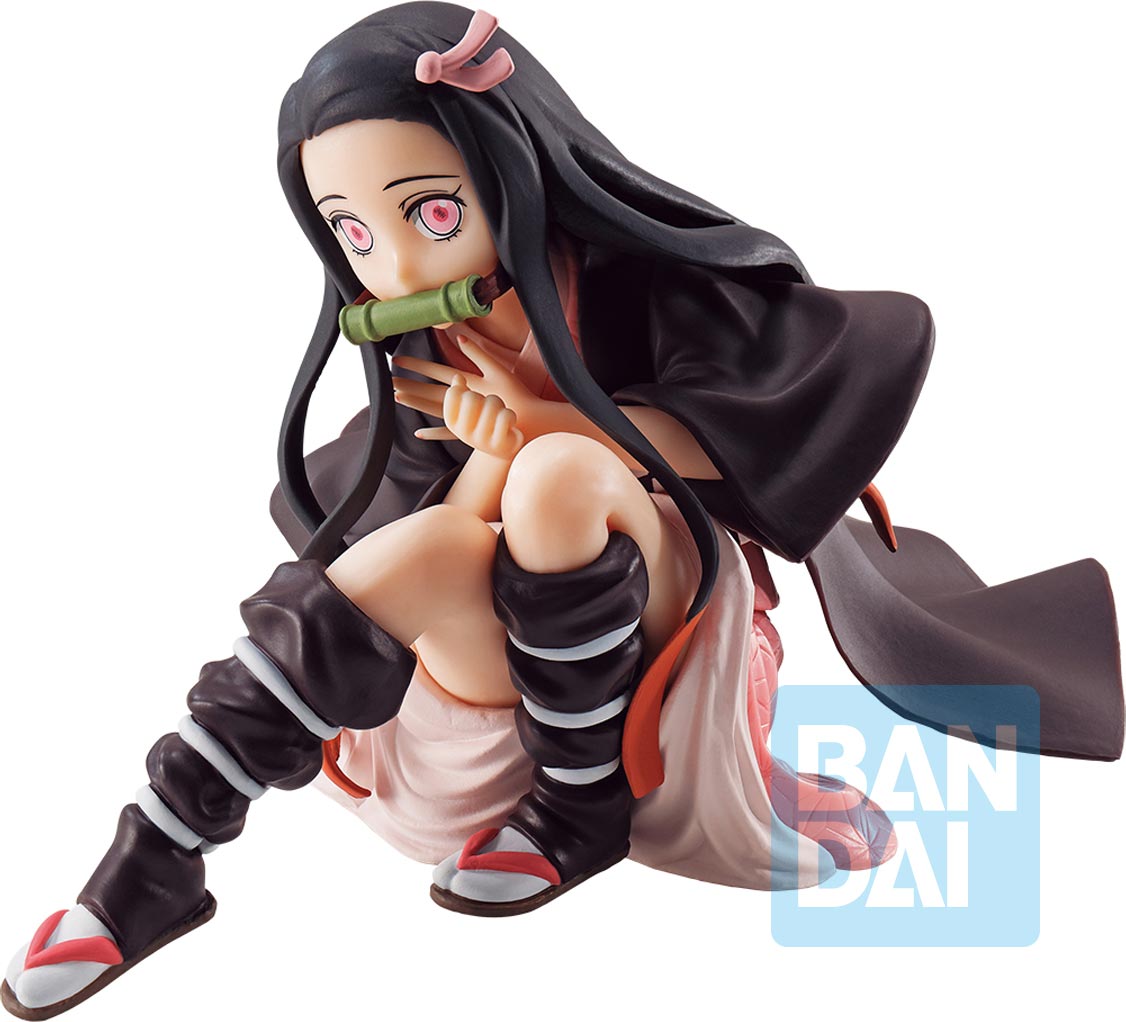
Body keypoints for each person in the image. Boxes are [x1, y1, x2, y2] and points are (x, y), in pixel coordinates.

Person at [3, 4, 1121, 1018]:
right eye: (354, 233)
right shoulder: (421, 345)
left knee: (559, 477)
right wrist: (491, 448)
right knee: (424, 542)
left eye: (430, 210)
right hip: (510, 654)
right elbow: (445, 526)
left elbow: (761, 417)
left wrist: (542, 418)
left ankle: (582, 816)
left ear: (507, 166)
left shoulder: (631, 277)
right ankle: (150, 864)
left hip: (666, 598)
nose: (397, 261)